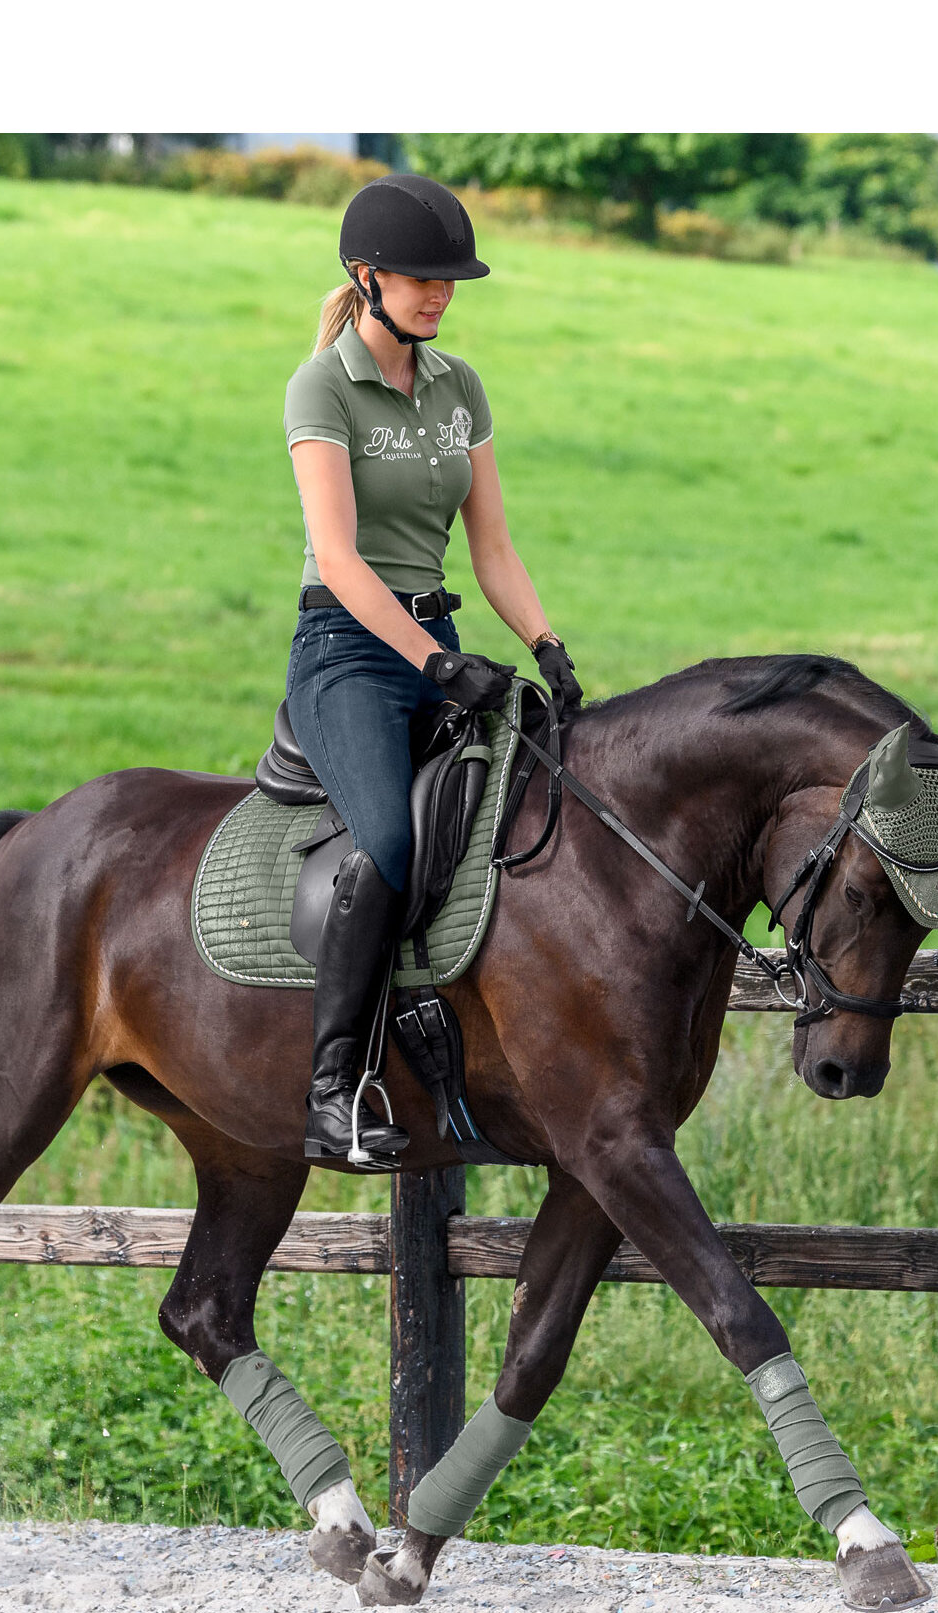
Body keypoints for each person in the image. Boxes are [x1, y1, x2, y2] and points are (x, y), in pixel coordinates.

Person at [283, 172, 583, 1166]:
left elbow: (490, 547)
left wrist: (544, 643)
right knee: (384, 844)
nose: (438, 295)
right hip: (348, 655)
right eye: (419, 277)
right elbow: (339, 559)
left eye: (449, 281)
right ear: (364, 276)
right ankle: (332, 1094)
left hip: (437, 643)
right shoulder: (320, 386)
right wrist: (434, 662)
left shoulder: (458, 387)